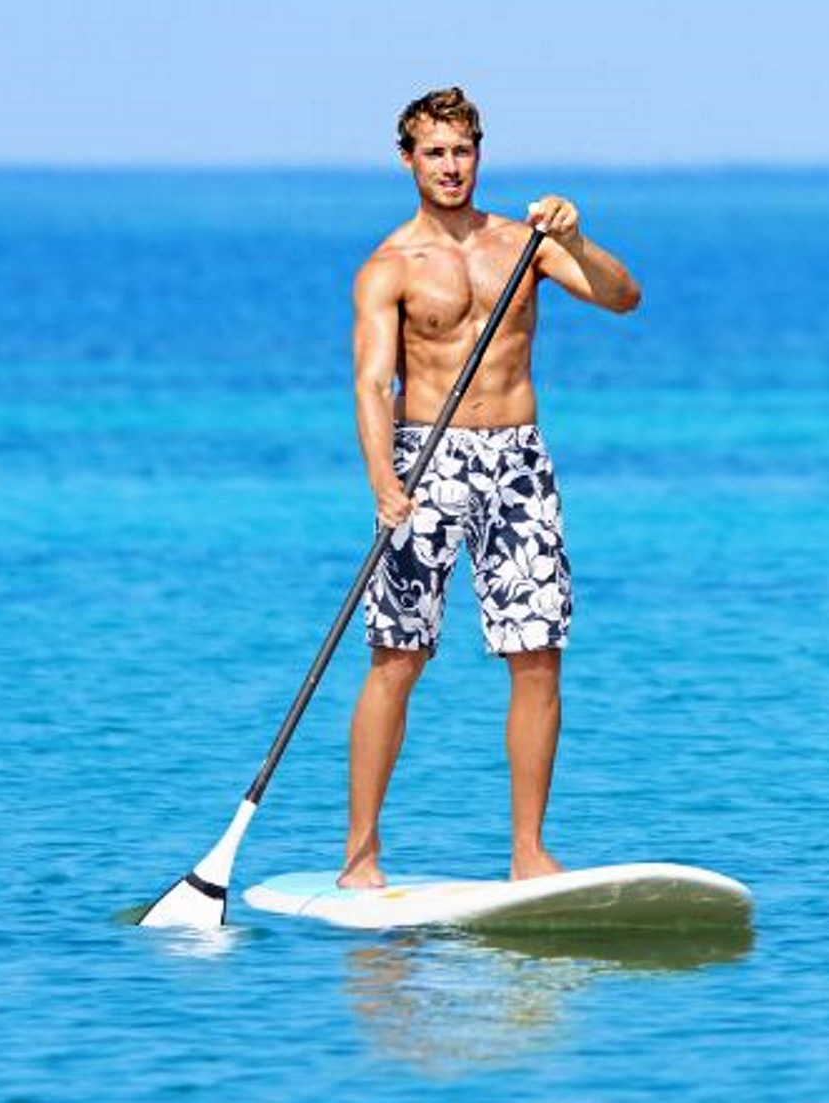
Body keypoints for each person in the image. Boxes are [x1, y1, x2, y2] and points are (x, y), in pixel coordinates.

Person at [341, 87, 641, 889]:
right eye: (435, 152)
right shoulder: (387, 267)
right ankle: (361, 854)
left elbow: (622, 297)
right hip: (424, 463)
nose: (451, 166)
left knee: (538, 655)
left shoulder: (525, 243)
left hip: (516, 461)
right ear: (408, 160)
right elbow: (373, 384)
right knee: (397, 656)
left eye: (463, 150)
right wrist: (383, 479)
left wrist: (580, 238)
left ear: (480, 154)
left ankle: (529, 852)